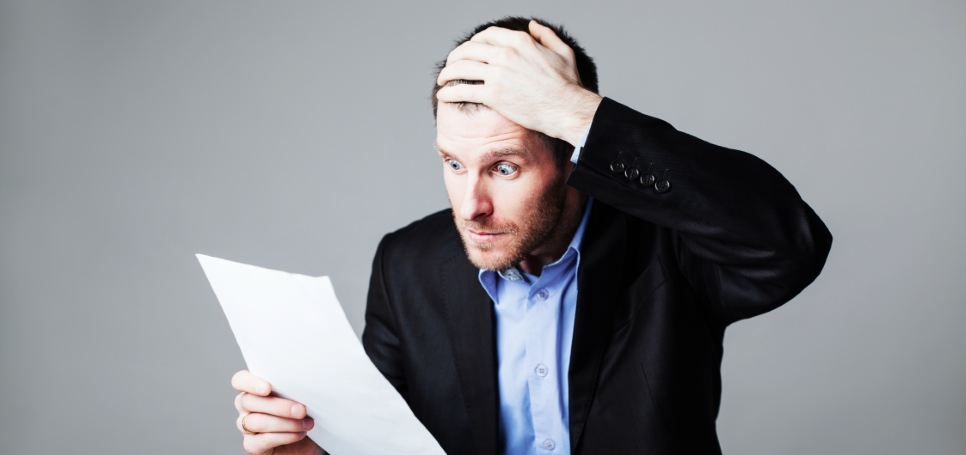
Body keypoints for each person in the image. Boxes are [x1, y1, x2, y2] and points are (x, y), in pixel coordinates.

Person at [229, 16, 832, 455]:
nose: (472, 206)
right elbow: (385, 441)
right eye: (454, 163)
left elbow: (788, 244)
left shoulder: (669, 247)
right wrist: (313, 451)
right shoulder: (405, 263)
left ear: (573, 155)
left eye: (505, 167)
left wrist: (579, 112)